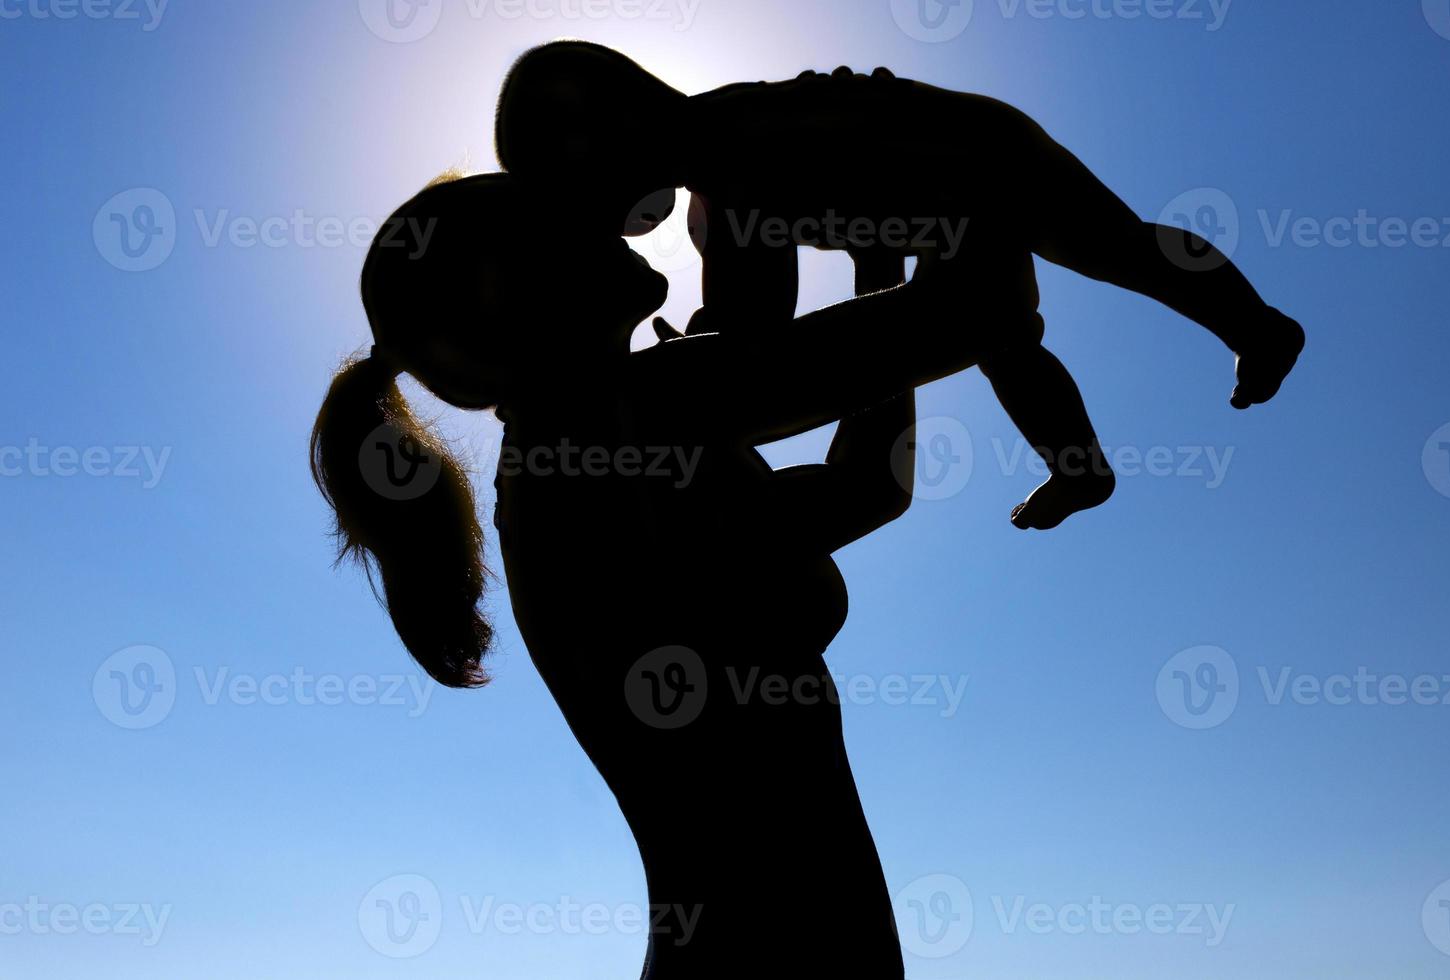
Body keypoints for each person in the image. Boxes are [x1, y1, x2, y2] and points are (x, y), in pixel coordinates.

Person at [311, 171, 1012, 976]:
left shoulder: (590, 440)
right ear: (519, 292)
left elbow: (869, 489)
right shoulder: (612, 413)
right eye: (562, 218)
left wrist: (877, 270)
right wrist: (958, 173)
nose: (605, 214)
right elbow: (969, 314)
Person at [493, 41, 1307, 530]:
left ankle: (1256, 327)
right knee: (1011, 336)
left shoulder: (726, 153)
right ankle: (1083, 466)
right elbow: (746, 311)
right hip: (945, 200)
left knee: (1116, 250)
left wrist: (705, 351)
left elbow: (757, 327)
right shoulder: (719, 168)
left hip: (975, 161)